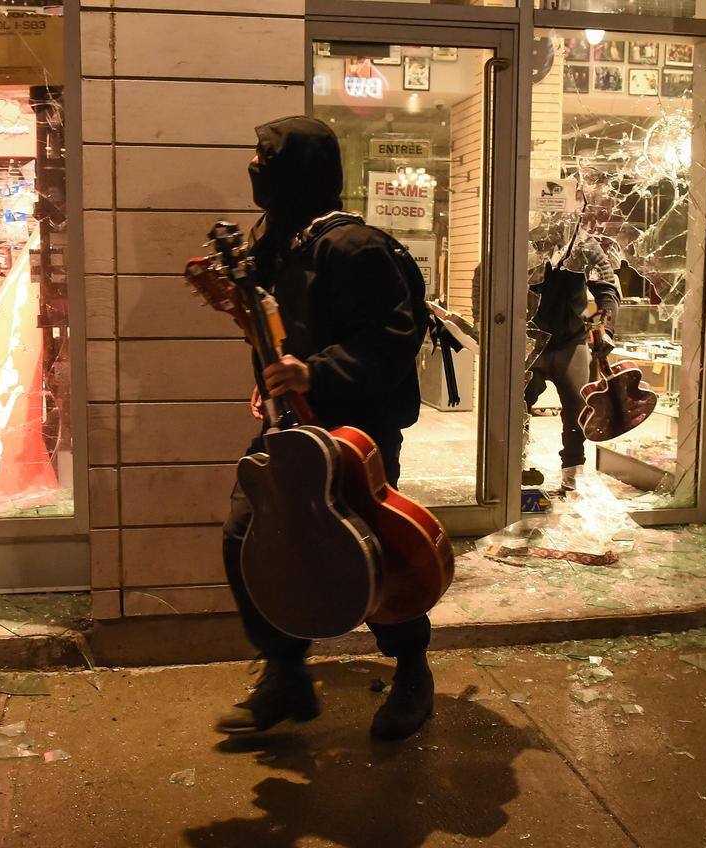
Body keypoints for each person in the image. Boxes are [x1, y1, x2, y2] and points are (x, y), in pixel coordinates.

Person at [216, 116, 433, 741]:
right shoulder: (279, 245)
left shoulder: (356, 247)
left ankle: (412, 671)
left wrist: (312, 374)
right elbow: (281, 338)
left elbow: (394, 342)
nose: (255, 168)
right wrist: (271, 381)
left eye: (267, 158)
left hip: (355, 432)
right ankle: (286, 674)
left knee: (373, 554)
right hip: (290, 432)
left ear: (301, 171)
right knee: (246, 535)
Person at [525, 203, 621, 490]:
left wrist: (603, 328)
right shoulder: (523, 240)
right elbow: (486, 273)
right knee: (515, 408)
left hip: (570, 339)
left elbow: (606, 288)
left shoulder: (584, 245)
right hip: (527, 339)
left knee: (578, 411)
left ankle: (573, 476)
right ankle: (512, 468)